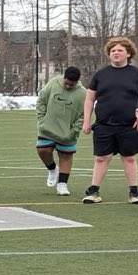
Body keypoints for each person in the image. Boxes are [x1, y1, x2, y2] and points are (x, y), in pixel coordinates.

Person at [81, 37, 138, 204]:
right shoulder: (101, 74)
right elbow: (89, 99)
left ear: (128, 54)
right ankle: (93, 191)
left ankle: (134, 192)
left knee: (128, 158)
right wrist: (86, 121)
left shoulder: (136, 74)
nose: (116, 53)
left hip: (130, 125)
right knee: (101, 158)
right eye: (113, 50)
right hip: (104, 125)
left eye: (120, 50)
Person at [36, 67, 85, 197]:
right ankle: (52, 169)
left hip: (67, 133)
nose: (68, 86)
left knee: (66, 156)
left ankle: (62, 184)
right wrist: (42, 119)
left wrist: (74, 130)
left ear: (77, 82)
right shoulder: (53, 83)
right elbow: (41, 100)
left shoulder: (82, 93)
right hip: (47, 128)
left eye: (71, 84)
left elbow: (84, 114)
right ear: (64, 77)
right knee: (43, 150)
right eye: (66, 83)